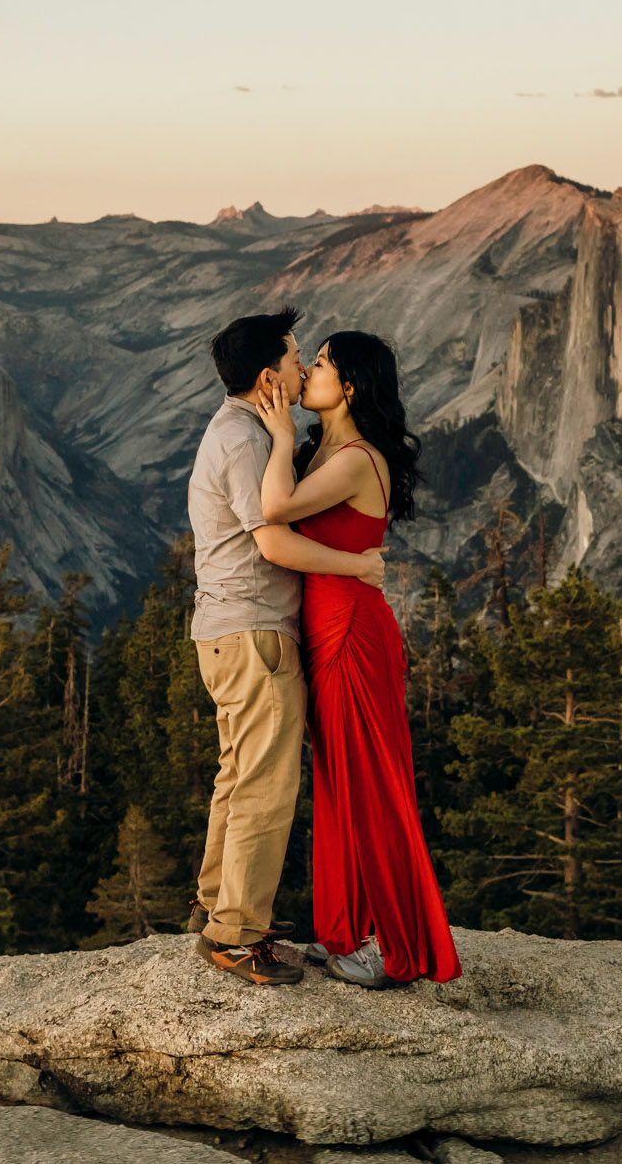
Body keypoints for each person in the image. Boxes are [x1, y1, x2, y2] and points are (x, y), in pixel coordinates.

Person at [253, 330, 461, 989]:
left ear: (349, 387)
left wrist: (282, 435)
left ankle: (396, 947)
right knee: (342, 785)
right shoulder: (331, 453)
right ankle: (348, 932)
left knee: (370, 787)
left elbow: (277, 510)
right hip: (328, 631)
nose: (308, 370)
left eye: (320, 363)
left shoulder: (354, 458)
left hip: (350, 635)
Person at [187, 308, 386, 986]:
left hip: (228, 630)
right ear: (270, 376)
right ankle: (238, 935)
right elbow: (270, 537)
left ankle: (216, 908)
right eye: (299, 357)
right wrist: (354, 565)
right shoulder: (247, 441)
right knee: (268, 787)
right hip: (256, 633)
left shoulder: (239, 428)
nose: (304, 367)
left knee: (238, 773)